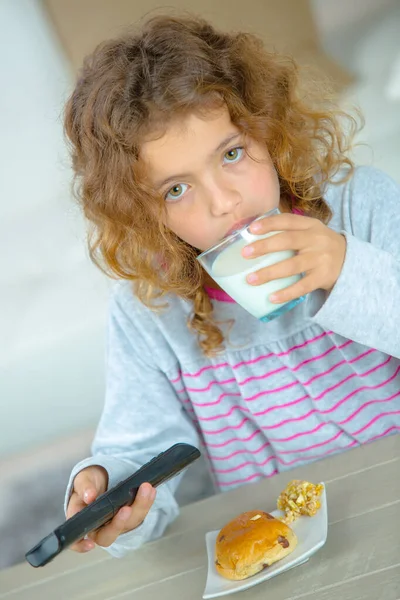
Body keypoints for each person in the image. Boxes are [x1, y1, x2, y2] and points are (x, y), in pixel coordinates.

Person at [63, 13, 400, 558]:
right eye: (176, 189)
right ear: (142, 213)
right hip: (282, 545)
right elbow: (141, 450)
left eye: (232, 154)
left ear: (269, 130)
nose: (222, 203)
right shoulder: (149, 309)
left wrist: (347, 268)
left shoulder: (360, 208)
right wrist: (109, 487)